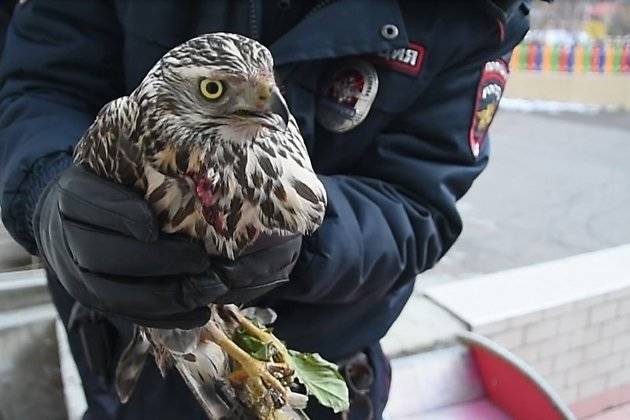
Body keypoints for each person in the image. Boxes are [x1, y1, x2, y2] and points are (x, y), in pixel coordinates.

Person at [0, 1, 536, 419]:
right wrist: (48, 194)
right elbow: (41, 83)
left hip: (318, 370)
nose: (267, 106)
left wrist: (302, 242)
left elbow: (420, 205)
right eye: (218, 90)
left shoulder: (476, 12)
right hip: (121, 355)